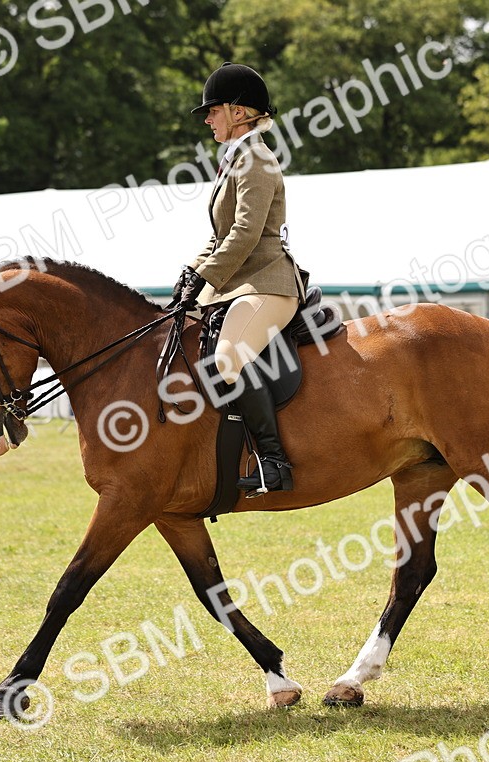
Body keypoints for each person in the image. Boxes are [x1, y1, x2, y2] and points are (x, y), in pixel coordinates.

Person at [172, 62, 307, 496]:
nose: (207, 118)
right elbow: (219, 236)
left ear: (238, 112)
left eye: (213, 110)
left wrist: (205, 275)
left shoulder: (257, 160)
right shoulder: (234, 160)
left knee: (227, 358)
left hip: (269, 283)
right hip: (240, 283)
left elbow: (246, 233)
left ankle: (273, 462)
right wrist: (192, 273)